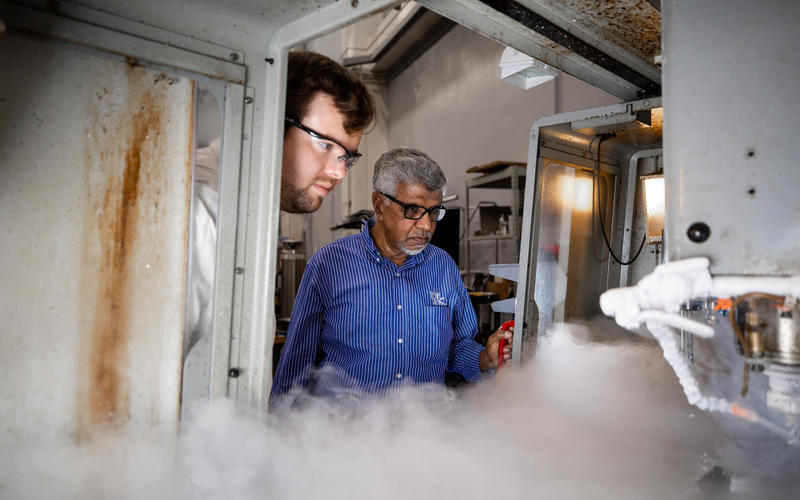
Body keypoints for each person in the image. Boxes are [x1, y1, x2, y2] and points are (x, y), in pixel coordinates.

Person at [270, 147, 513, 412]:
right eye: (412, 210)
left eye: (433, 212)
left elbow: (456, 346)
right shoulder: (329, 266)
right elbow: (296, 366)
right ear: (379, 204)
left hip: (418, 432)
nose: (426, 226)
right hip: (343, 437)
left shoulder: (443, 267)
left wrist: (484, 359)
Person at [185, 51, 375, 355]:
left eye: (347, 157)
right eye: (325, 144)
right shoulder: (200, 216)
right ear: (272, 123)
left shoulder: (242, 209)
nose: (339, 172)